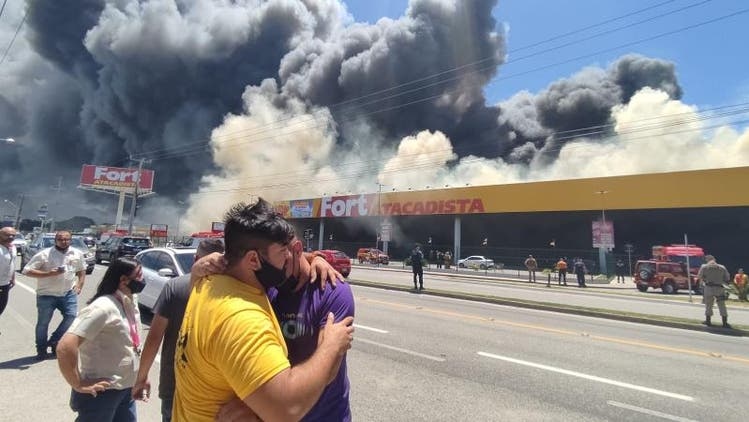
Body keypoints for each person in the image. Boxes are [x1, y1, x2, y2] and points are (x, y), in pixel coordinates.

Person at [173, 199, 354, 421]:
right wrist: (332, 345)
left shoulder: (210, 282)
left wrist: (315, 257)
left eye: (291, 250)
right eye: (282, 252)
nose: (288, 256)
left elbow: (331, 370)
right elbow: (284, 409)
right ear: (253, 260)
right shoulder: (244, 312)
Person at [132, 239, 225, 422]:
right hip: (217, 387)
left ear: (196, 258)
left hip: (175, 383)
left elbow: (154, 337)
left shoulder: (175, 287)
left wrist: (141, 378)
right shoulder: (233, 290)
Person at [56, 258, 146, 422]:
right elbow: (65, 346)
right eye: (139, 275)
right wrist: (78, 384)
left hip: (126, 387)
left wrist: (141, 377)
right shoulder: (103, 307)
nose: (143, 279)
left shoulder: (130, 299)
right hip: (104, 391)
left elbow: (132, 343)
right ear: (123, 280)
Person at [23, 230, 87, 360]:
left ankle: (55, 340)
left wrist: (80, 284)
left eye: (67, 239)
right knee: (43, 323)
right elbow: (27, 271)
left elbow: (81, 270)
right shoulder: (45, 254)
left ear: (70, 240)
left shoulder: (77, 253)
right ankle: (41, 349)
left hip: (68, 293)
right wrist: (48, 274)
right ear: (55, 240)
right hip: (47, 294)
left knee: (71, 317)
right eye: (60, 239)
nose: (64, 242)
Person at [697, 254, 731, 328]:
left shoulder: (704, 267)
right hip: (719, 288)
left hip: (708, 287)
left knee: (708, 305)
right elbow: (727, 278)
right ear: (714, 259)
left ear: (707, 260)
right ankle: (724, 322)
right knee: (721, 305)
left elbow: (699, 276)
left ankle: (708, 321)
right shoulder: (722, 267)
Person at [0, 227, 17, 327]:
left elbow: (12, 263)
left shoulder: (12, 248)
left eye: (13, 235)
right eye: (7, 235)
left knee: (1, 307)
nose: (10, 237)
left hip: (5, 284)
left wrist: (13, 278)